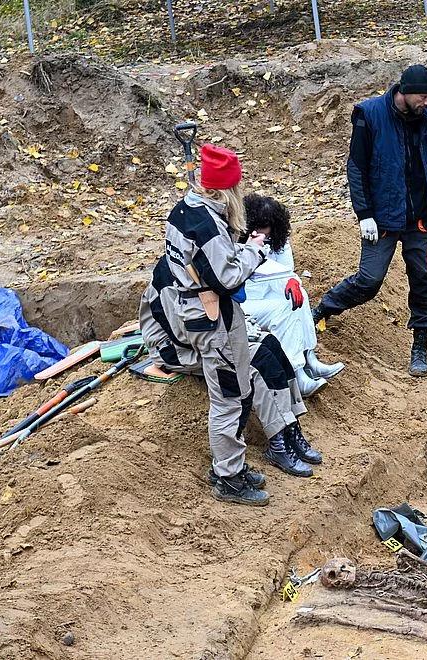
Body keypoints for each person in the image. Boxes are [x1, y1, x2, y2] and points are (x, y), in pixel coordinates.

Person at [137, 145, 319, 505]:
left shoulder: (186, 212)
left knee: (261, 357)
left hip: (208, 317)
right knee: (230, 398)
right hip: (203, 326)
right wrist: (255, 251)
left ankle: (278, 438)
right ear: (223, 188)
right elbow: (228, 278)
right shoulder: (206, 227)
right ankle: (229, 476)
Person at [311, 64, 427, 377]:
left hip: (420, 219)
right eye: (424, 97)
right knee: (369, 280)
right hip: (383, 216)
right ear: (406, 91)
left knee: (423, 280)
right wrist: (365, 215)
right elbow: (356, 167)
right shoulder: (369, 115)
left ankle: (420, 347)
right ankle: (322, 310)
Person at [241, 194, 343, 396]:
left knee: (299, 295)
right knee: (285, 309)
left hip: (265, 295)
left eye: (265, 227)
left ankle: (309, 358)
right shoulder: (240, 242)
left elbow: (283, 272)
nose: (259, 232)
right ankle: (296, 373)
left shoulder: (278, 242)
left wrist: (291, 283)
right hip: (244, 302)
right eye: (256, 226)